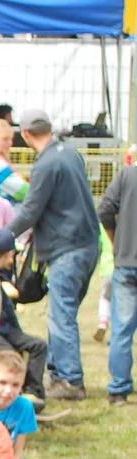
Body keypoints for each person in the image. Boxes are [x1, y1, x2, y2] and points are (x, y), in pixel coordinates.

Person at [8, 110, 98, 400]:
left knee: (61, 315)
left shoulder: (46, 163)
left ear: (25, 135)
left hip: (66, 248)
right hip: (87, 244)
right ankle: (60, 373)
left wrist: (2, 236)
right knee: (66, 313)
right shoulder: (70, 153)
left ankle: (69, 381)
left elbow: (32, 209)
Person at [0, 228, 49, 403]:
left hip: (6, 328)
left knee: (38, 345)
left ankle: (32, 392)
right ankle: (21, 395)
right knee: (12, 356)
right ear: (10, 254)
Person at [97, 156, 137, 407]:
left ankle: (119, 389)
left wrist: (115, 241)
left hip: (126, 261)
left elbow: (104, 210)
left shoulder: (127, 175)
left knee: (121, 329)